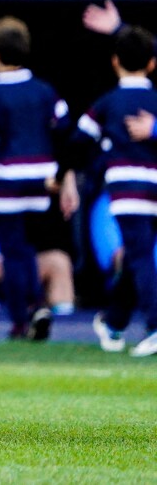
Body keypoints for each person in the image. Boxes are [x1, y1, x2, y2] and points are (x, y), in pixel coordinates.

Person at [0, 17, 78, 341]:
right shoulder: (44, 91)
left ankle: (21, 319)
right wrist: (65, 177)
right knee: (30, 249)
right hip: (42, 183)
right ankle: (36, 306)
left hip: (6, 184)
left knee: (13, 253)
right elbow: (65, 133)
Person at [75, 26, 157, 356]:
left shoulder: (109, 102)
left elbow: (79, 138)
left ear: (114, 62)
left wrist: (66, 171)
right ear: (152, 63)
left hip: (127, 190)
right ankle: (114, 322)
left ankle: (154, 325)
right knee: (139, 255)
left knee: (139, 256)